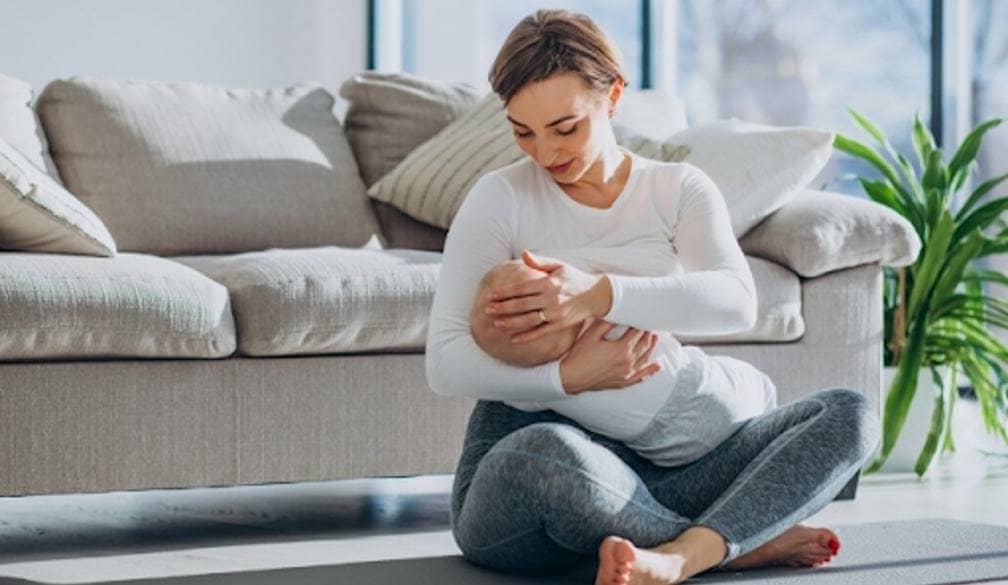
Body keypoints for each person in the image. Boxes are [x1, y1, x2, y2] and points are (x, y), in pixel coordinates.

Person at [425, 9, 880, 585]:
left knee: (851, 413)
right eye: (522, 132)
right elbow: (444, 363)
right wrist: (571, 377)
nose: (544, 154)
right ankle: (730, 540)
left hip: (664, 466)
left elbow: (736, 300)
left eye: (565, 128)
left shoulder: (675, 188)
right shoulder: (499, 198)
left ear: (613, 96)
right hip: (537, 475)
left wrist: (596, 295)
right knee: (544, 453)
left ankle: (678, 554)